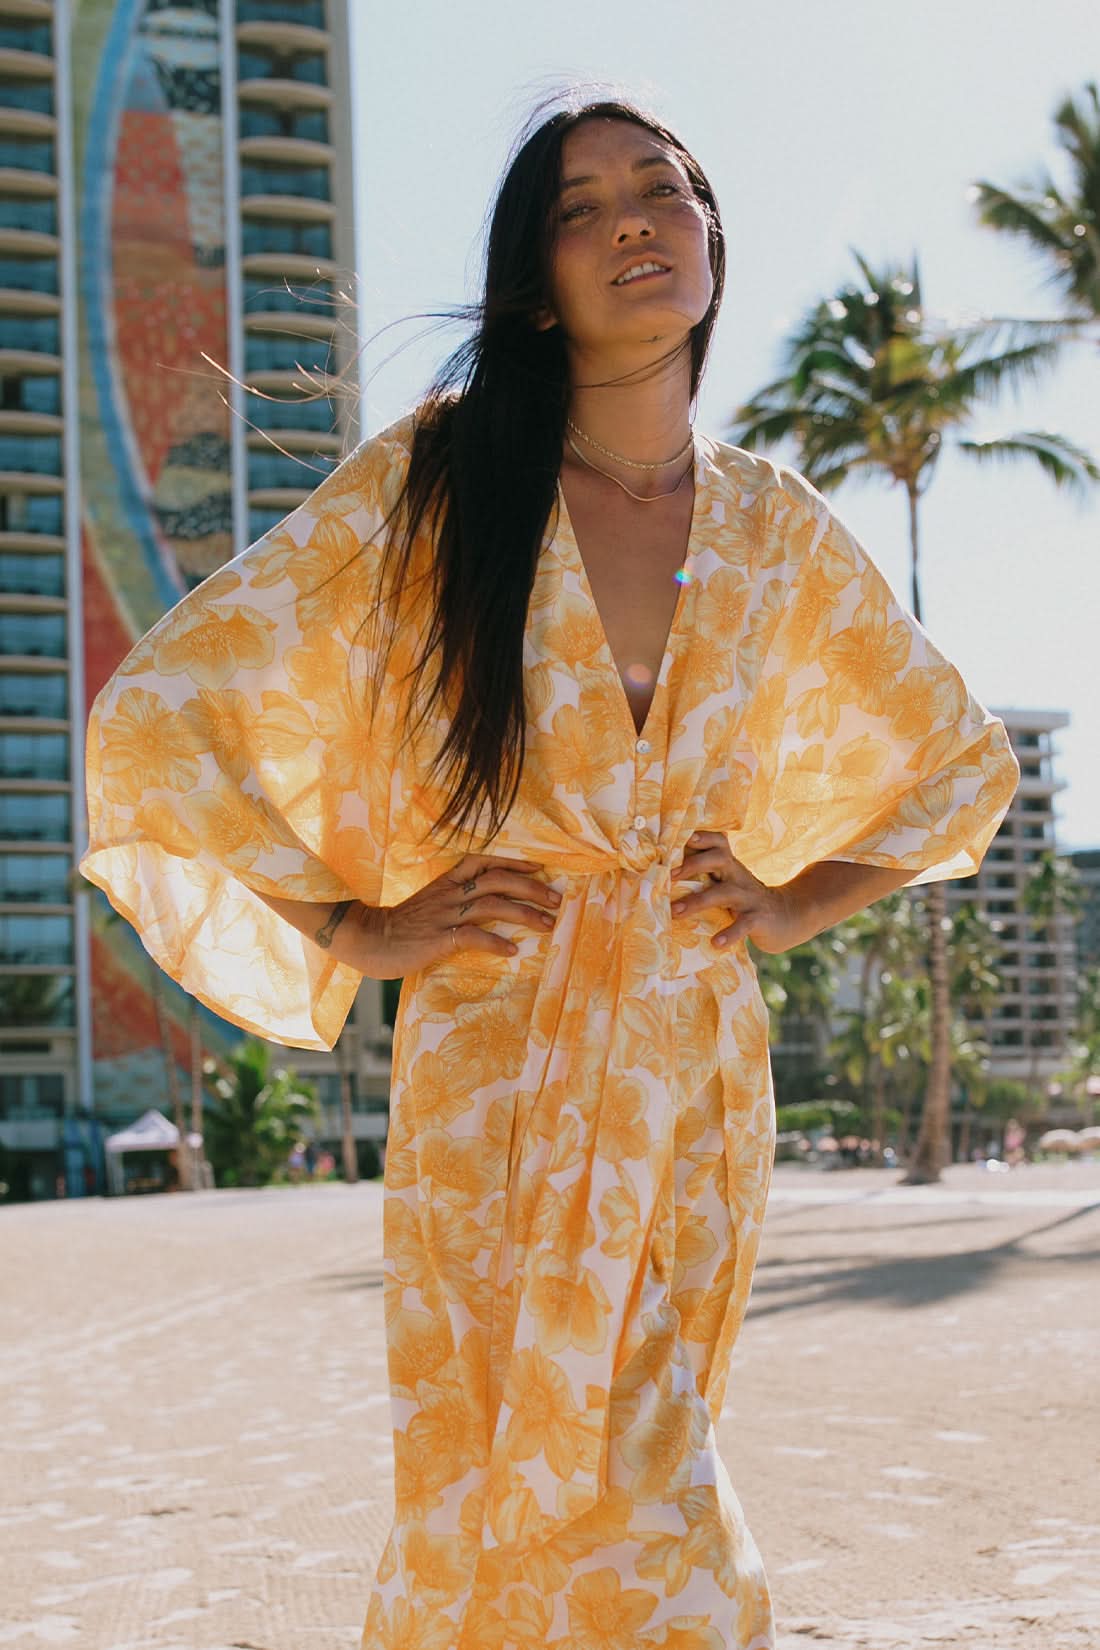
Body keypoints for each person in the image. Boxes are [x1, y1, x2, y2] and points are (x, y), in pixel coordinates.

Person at [79, 92, 1019, 1650]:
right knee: (495, 1493)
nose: (633, 219)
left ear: (712, 237)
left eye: (663, 187)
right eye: (581, 208)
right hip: (496, 1057)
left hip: (694, 1067)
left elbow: (961, 762)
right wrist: (354, 922)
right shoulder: (442, 486)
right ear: (535, 286)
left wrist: (793, 901)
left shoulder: (775, 529)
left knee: (646, 1471)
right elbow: (165, 716)